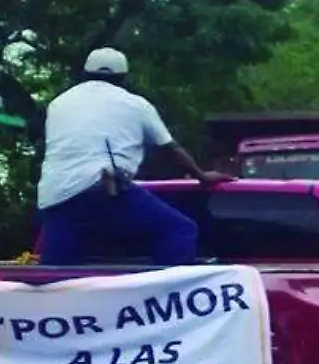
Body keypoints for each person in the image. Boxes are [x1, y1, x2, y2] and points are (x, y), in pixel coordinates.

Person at [34, 48, 231, 266]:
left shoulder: (58, 103)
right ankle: (160, 294)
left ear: (85, 74)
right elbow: (171, 149)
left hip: (54, 196)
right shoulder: (136, 104)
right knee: (179, 230)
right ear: (123, 78)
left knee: (56, 272)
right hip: (101, 190)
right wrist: (202, 176)